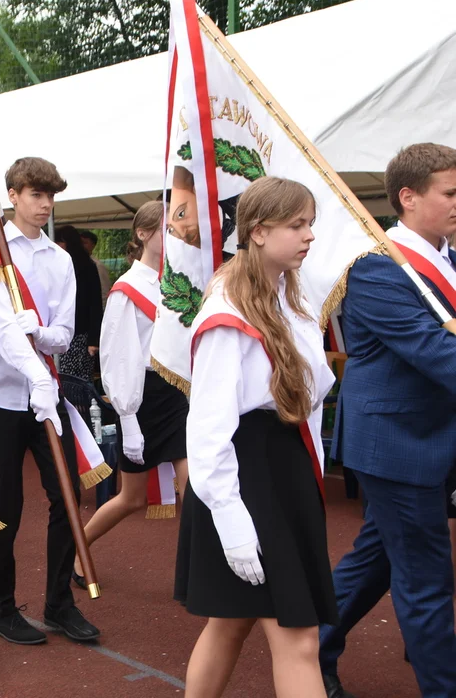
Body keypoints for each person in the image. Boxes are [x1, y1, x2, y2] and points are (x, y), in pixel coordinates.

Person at [175, 177, 336, 697]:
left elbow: (313, 386)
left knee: (231, 621)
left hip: (281, 465)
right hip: (246, 477)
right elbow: (208, 428)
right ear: (260, 232)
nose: (309, 235)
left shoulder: (289, 290)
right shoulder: (228, 312)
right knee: (298, 636)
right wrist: (231, 517)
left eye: (310, 223)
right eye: (297, 225)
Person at [318, 143, 456, 698]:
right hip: (397, 445)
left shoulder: (446, 257)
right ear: (409, 196)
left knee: (376, 560)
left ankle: (312, 644)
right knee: (425, 581)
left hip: (427, 438)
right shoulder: (377, 267)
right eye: (449, 193)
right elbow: (434, 352)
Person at [0, 157, 100, 645]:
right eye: (35, 195)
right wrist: (26, 337)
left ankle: (58, 604)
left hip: (47, 391)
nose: (45, 204)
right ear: (12, 195)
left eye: (50, 196)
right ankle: (1, 609)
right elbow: (4, 335)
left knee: (68, 494)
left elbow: (64, 335)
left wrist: (42, 333)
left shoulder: (60, 258)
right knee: (7, 503)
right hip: (2, 395)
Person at [72, 201, 189, 579]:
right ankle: (78, 547)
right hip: (143, 396)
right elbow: (117, 358)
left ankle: (203, 575)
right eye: (166, 229)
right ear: (142, 234)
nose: (174, 237)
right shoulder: (127, 289)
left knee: (197, 490)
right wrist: (128, 417)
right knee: (131, 498)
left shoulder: (181, 282)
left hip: (179, 396)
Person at [54, 225, 104, 381]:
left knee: (77, 381)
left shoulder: (87, 266)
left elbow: (95, 303)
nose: (56, 245)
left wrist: (93, 340)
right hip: (61, 331)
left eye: (59, 242)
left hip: (80, 333)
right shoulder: (56, 264)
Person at [79, 230, 111, 307]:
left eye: (85, 243)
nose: (82, 246)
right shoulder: (74, 263)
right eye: (80, 243)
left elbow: (104, 291)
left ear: (93, 245)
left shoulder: (98, 265)